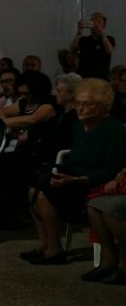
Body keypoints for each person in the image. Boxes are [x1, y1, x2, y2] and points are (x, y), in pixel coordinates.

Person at [22, 79, 126, 265]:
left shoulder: (114, 130)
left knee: (44, 195)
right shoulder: (78, 128)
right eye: (78, 103)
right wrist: (65, 176)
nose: (80, 108)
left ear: (103, 107)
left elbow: (110, 170)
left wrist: (75, 180)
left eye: (87, 104)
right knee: (33, 190)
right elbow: (75, 160)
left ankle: (54, 249)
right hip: (73, 178)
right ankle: (46, 244)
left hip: (96, 182)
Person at [71, 12, 115, 79]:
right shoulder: (84, 40)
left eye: (99, 22)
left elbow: (109, 50)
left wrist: (101, 32)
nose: (95, 25)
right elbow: (72, 49)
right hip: (84, 77)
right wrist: (79, 32)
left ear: (104, 25)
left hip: (101, 78)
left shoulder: (109, 39)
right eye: (93, 22)